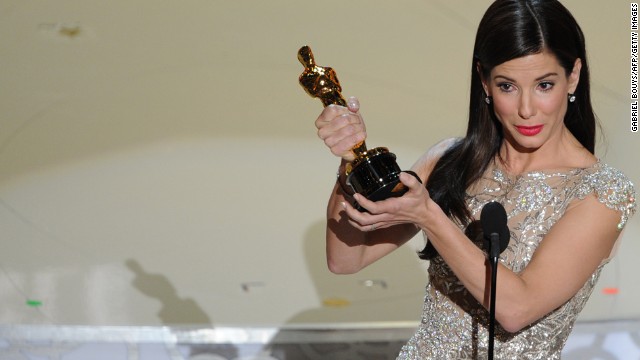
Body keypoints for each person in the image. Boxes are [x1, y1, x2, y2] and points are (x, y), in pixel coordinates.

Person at [313, 0, 636, 358]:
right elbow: (346, 259)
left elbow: (516, 308)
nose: (527, 109)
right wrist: (351, 162)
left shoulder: (602, 192)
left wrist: (430, 218)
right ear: (484, 80)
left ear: (573, 76)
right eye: (507, 86)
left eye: (544, 85)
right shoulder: (451, 160)